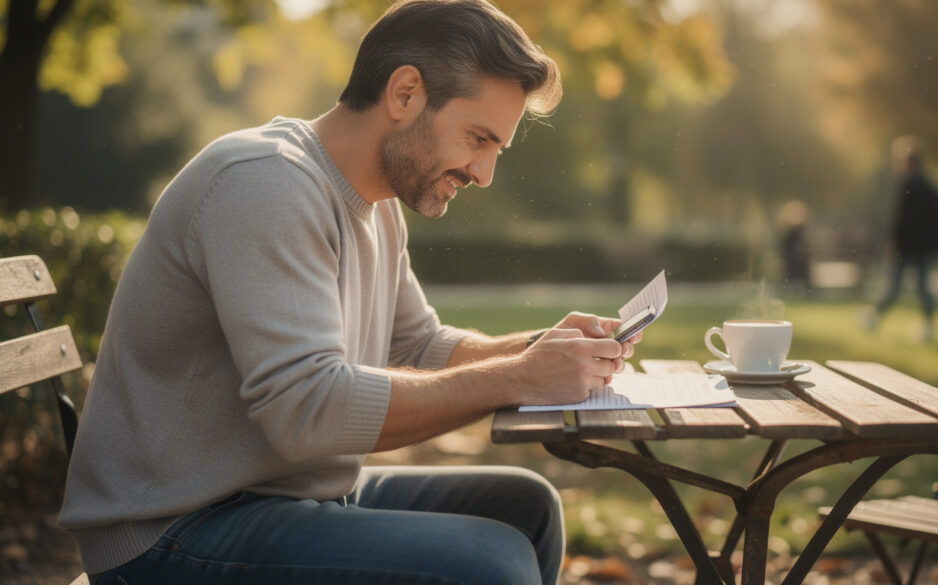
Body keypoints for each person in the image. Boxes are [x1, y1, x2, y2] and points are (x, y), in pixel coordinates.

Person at [58, 2, 641, 583]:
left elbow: (422, 345)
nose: (484, 173)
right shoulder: (263, 183)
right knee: (490, 563)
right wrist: (518, 377)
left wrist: (547, 348)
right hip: (173, 528)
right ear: (405, 93)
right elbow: (307, 409)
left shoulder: (377, 206)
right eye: (477, 138)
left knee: (529, 509)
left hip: (279, 491)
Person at [862, 135, 938, 339]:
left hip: (907, 247)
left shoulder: (909, 185)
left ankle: (874, 317)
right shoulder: (930, 186)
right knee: (923, 288)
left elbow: (902, 219)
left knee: (895, 286)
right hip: (924, 246)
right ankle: (928, 326)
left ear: (909, 162)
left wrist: (893, 242)